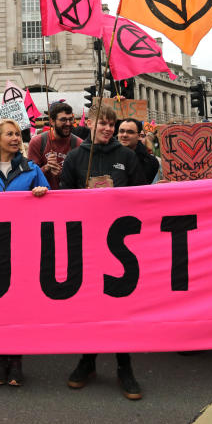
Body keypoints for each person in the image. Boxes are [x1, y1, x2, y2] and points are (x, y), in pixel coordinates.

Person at [59, 105, 144, 400]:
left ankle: (124, 366)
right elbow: (63, 193)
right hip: (88, 241)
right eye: (103, 123)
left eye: (112, 124)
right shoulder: (75, 156)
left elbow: (142, 193)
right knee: (91, 305)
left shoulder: (127, 156)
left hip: (122, 245)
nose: (108, 128)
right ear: (90, 124)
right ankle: (88, 360)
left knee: (121, 307)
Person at [0, 119, 49, 386]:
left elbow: (53, 203)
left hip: (23, 246)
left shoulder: (33, 170)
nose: (16, 138)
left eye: (17, 134)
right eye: (10, 134)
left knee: (17, 306)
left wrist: (43, 192)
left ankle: (16, 362)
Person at [27, 102, 82, 190]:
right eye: (63, 120)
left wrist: (63, 173)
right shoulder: (37, 142)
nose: (68, 123)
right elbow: (29, 177)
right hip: (44, 198)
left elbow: (82, 179)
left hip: (69, 198)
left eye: (70, 119)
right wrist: (46, 167)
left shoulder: (79, 144)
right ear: (52, 121)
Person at [116, 118, 160, 185]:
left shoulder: (151, 162)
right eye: (121, 131)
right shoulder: (107, 155)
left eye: (130, 132)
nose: (124, 135)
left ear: (139, 136)